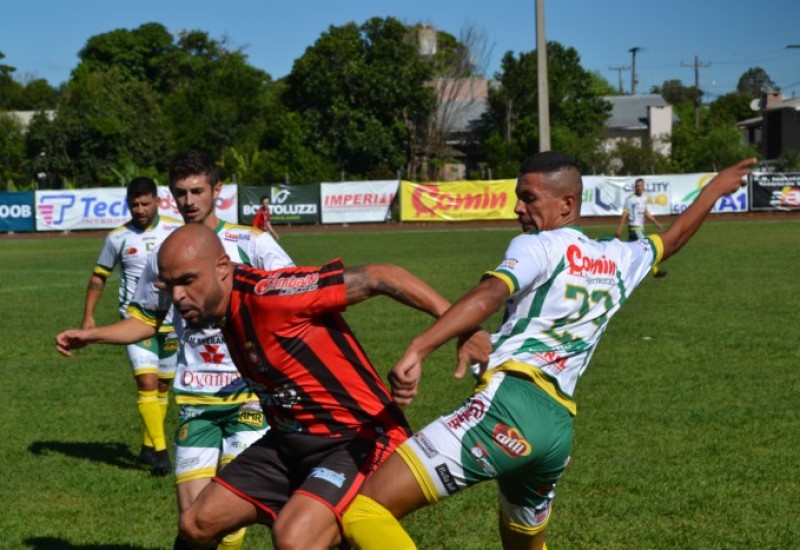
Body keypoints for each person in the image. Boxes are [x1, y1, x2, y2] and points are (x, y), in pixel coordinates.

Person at [341, 152, 757, 550]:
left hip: (507, 408)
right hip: (555, 432)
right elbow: (674, 237)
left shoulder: (539, 245)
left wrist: (420, 346)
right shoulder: (617, 257)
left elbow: (490, 293)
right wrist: (714, 190)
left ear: (567, 203)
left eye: (529, 198)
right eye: (518, 197)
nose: (518, 209)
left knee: (365, 512)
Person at [61, 222, 489, 550]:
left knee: (295, 538)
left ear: (222, 268)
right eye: (169, 285)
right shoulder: (217, 311)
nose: (177, 297)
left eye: (187, 281)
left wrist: (459, 326)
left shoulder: (273, 295)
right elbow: (147, 319)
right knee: (196, 524)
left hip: (357, 438)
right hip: (288, 443)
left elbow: (380, 275)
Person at [56, 150, 293, 550]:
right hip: (197, 403)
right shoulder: (163, 254)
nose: (189, 201)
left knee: (228, 517)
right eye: (181, 192)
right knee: (195, 522)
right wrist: (91, 335)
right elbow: (145, 320)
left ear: (217, 190)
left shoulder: (252, 244)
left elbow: (291, 301)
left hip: (249, 398)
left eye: (198, 190)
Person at [81, 176, 182, 476]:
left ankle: (148, 444)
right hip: (135, 320)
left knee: (163, 387)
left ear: (157, 201)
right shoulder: (117, 238)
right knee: (146, 382)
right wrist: (89, 316)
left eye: (144, 203)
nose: (139, 209)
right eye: (134, 204)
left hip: (173, 322)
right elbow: (99, 277)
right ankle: (162, 454)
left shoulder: (177, 230)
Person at [615, 177, 667, 277]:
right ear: (635, 187)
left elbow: (645, 212)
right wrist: (619, 229)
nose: (639, 188)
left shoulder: (643, 198)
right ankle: (655, 271)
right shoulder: (630, 199)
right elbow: (624, 214)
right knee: (648, 247)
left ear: (644, 187)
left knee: (629, 252)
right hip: (635, 228)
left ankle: (620, 270)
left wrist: (656, 222)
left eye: (641, 186)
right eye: (637, 186)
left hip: (637, 229)